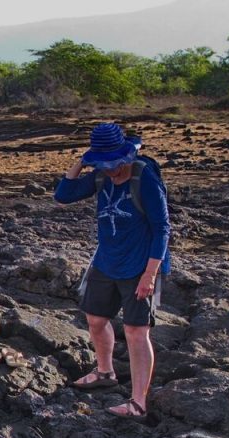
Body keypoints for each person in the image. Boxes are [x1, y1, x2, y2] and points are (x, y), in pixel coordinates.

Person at [54, 123, 171, 421]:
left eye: (115, 164)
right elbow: (63, 195)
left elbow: (162, 229)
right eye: (104, 165)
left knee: (135, 331)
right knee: (95, 319)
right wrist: (82, 162)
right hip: (107, 260)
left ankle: (138, 402)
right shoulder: (101, 176)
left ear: (127, 156)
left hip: (140, 264)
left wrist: (150, 275)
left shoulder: (144, 178)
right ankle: (105, 372)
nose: (112, 171)